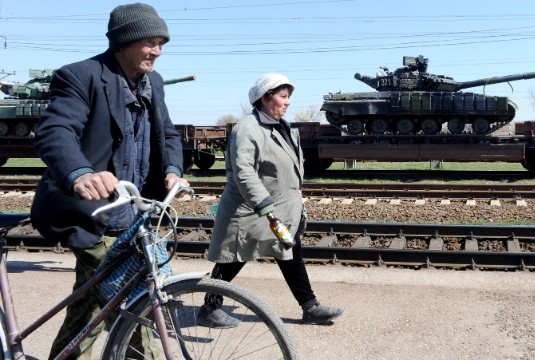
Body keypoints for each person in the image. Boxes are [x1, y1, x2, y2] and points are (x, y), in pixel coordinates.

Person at [29, 3, 189, 359]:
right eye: (150, 42)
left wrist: (173, 169)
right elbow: (55, 131)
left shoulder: (153, 83)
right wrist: (80, 172)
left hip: (134, 218)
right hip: (89, 214)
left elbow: (169, 134)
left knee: (88, 309)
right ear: (124, 41)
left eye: (162, 43)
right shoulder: (80, 75)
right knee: (139, 310)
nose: (157, 51)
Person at [199, 73, 344, 327]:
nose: (287, 102)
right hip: (252, 210)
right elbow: (244, 171)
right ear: (266, 98)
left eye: (288, 97)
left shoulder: (280, 126)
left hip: (280, 211)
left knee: (290, 252)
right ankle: (210, 308)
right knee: (232, 257)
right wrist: (264, 205)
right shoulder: (248, 128)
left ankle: (310, 307)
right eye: (283, 96)